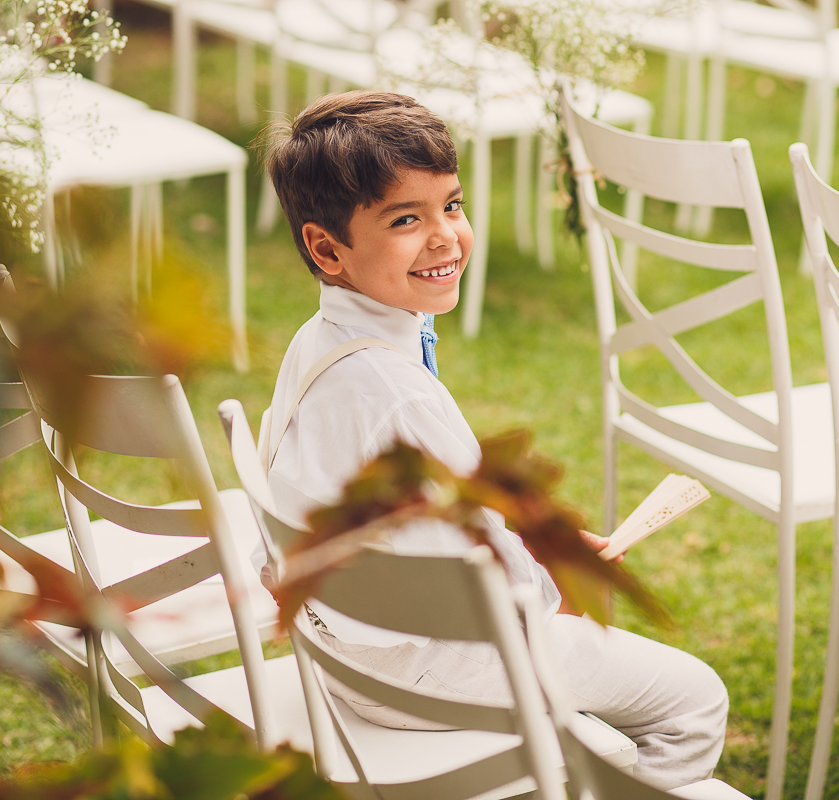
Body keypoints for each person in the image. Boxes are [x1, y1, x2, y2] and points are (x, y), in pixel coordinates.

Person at [261, 90, 728, 790]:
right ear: (327, 247)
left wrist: (537, 544)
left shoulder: (319, 342)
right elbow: (495, 594)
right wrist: (553, 586)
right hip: (424, 665)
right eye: (404, 219)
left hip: (345, 645)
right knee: (692, 699)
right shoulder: (397, 392)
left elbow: (436, 512)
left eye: (450, 205)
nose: (445, 235)